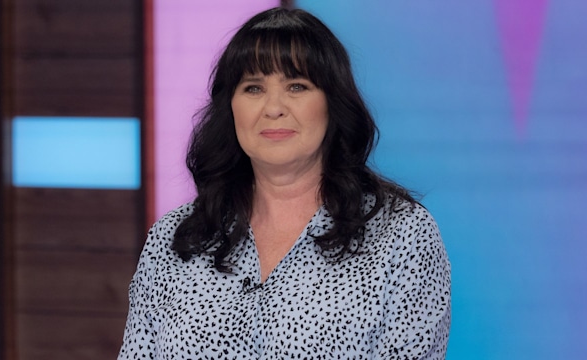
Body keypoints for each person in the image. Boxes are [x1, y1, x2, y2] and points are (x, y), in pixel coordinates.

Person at [118, 7, 450, 359]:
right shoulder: (174, 239)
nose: (273, 108)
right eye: (253, 88)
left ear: (331, 103)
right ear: (230, 107)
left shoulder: (401, 235)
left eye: (296, 86)